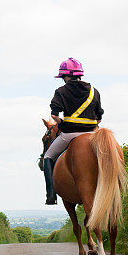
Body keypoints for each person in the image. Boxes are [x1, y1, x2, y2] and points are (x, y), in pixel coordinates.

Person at [43, 57, 103, 205]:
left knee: (48, 157)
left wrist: (63, 122)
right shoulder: (94, 91)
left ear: (66, 76)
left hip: (70, 134)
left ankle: (51, 195)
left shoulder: (61, 91)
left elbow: (54, 116)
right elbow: (99, 118)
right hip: (93, 134)